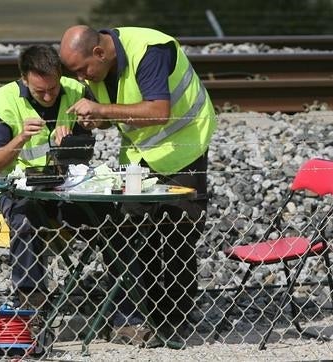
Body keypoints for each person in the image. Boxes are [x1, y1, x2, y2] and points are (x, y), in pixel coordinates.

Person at [60, 26, 217, 344]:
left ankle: (176, 320)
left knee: (178, 235)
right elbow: (114, 108)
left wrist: (102, 110)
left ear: (99, 53)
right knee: (131, 233)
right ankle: (139, 318)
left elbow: (158, 112)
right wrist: (97, 119)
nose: (82, 79)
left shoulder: (150, 51)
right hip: (139, 156)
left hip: (183, 149)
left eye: (82, 70)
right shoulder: (100, 68)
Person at [0, 44, 94, 309]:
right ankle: (31, 301)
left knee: (108, 217)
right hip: (16, 190)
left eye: (53, 88)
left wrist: (77, 136)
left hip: (65, 185)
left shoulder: (75, 91)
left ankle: (122, 304)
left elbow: (86, 149)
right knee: (25, 219)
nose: (50, 96)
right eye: (41, 91)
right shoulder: (3, 103)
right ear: (24, 79)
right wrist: (21, 138)